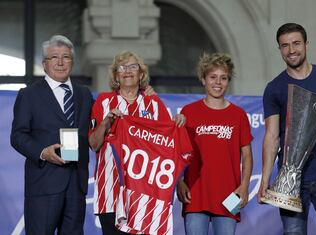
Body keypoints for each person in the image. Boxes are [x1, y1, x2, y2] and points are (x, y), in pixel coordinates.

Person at [257, 23, 316, 235]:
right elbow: (272, 136)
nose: (291, 50)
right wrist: (265, 180)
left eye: (296, 43)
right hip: (291, 180)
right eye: (285, 46)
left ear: (306, 44)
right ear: (279, 49)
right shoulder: (274, 88)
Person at [88, 51, 186, 234]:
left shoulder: (154, 105)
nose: (127, 71)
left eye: (133, 67)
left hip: (146, 194)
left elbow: (169, 147)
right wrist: (106, 122)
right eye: (122, 68)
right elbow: (93, 144)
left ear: (141, 74)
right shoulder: (104, 101)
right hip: (110, 191)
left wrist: (177, 121)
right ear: (116, 75)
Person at [10, 35, 93, 235]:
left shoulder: (84, 94)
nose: (60, 62)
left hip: (76, 185)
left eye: (66, 57)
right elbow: (18, 136)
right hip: (43, 183)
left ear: (72, 62)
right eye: (54, 57)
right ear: (44, 64)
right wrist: (42, 152)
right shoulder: (29, 94)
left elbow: (99, 124)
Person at [177, 53, 254, 235]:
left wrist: (244, 187)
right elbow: (177, 153)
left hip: (230, 196)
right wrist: (179, 182)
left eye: (223, 78)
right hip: (195, 195)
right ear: (203, 79)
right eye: (213, 77)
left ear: (228, 81)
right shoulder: (189, 112)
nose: (218, 82)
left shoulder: (238, 115)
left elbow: (247, 156)